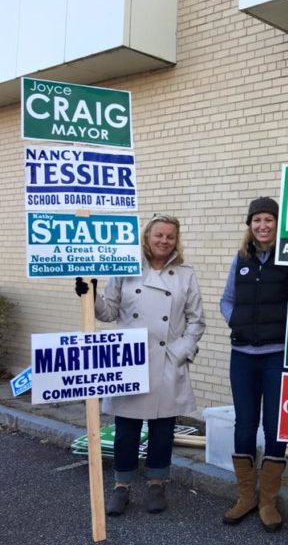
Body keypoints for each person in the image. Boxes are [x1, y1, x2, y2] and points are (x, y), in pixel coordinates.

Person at [76, 214, 205, 516]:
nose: (164, 241)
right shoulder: (125, 268)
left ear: (176, 240)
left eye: (170, 236)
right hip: (129, 360)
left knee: (162, 429)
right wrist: (91, 294)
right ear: (147, 237)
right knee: (126, 430)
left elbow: (196, 319)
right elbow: (107, 313)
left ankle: (157, 483)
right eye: (158, 235)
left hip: (166, 361)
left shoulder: (185, 274)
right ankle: (122, 486)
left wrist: (181, 351)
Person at [220, 196, 288, 531]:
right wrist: (238, 324)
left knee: (276, 427)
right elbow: (227, 299)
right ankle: (246, 496)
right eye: (257, 220)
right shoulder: (241, 259)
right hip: (242, 355)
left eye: (269, 220)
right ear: (250, 225)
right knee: (245, 424)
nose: (263, 225)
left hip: (278, 356)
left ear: (278, 224)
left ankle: (269, 500)